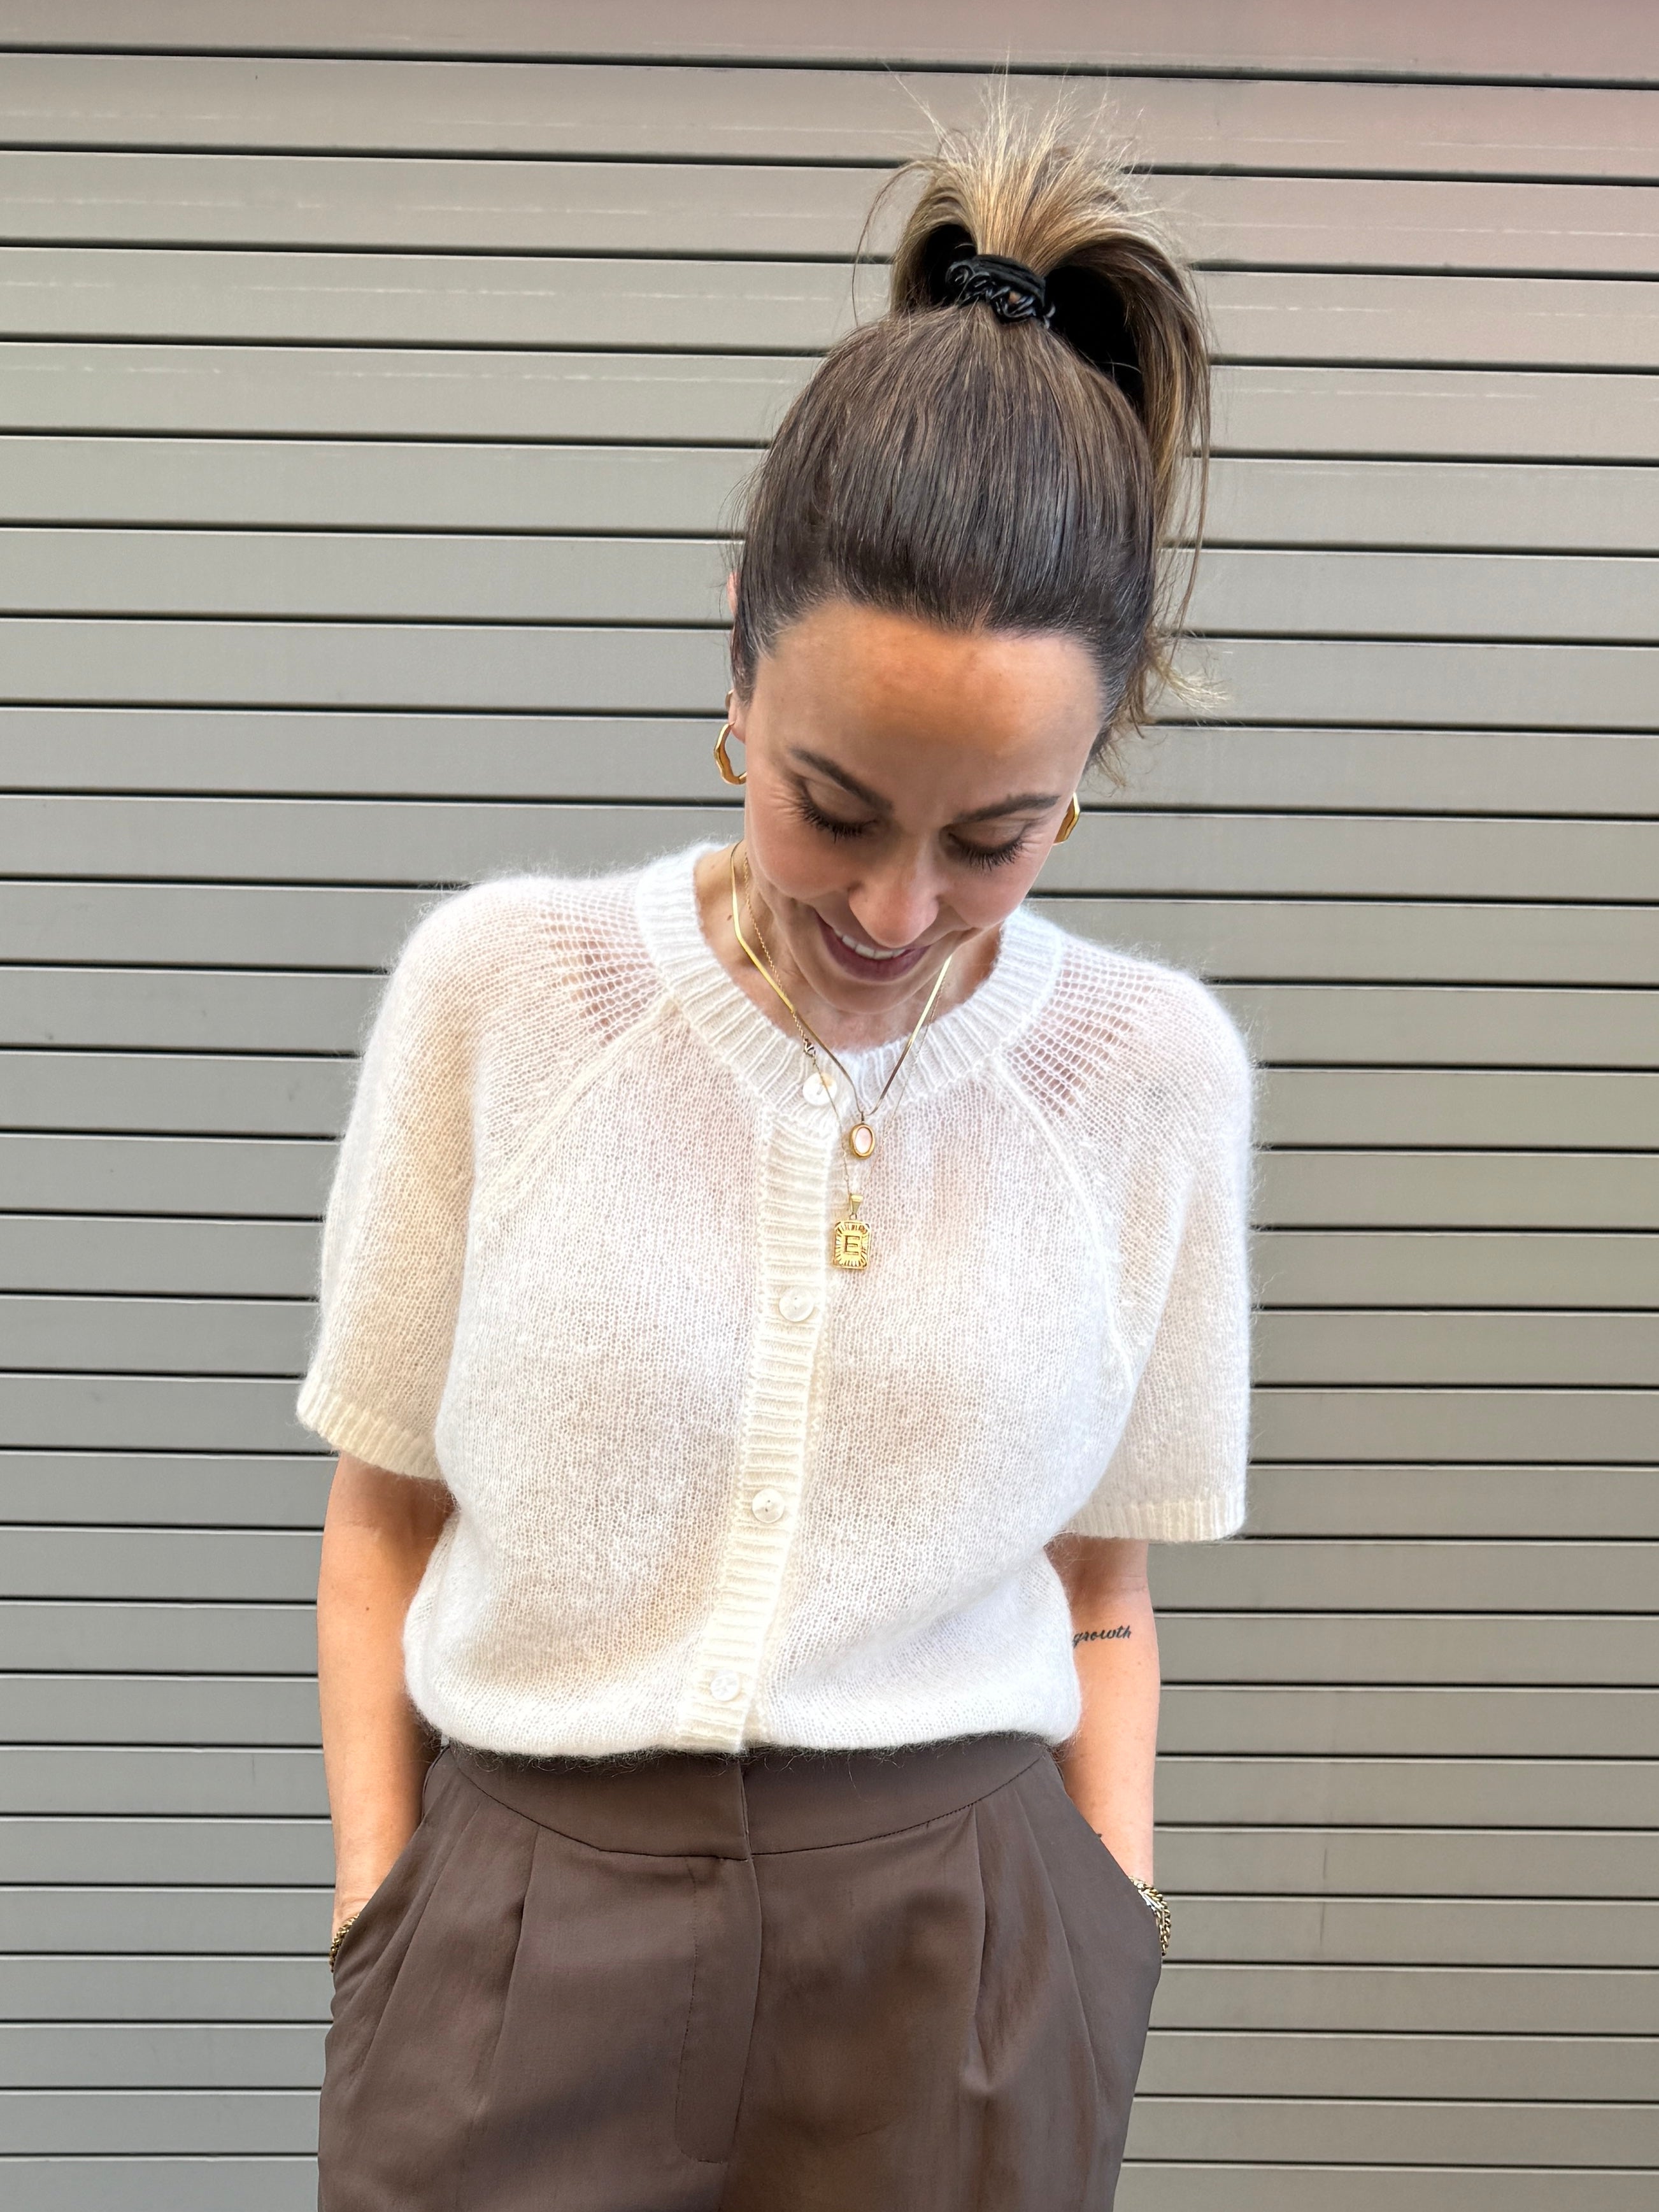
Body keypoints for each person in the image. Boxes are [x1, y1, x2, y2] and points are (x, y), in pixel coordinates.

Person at [306, 110, 1250, 2212]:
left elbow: (1108, 1587)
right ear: (737, 653)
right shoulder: (504, 996)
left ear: (1084, 778)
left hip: (964, 1966)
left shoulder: (1149, 1076)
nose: (900, 908)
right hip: (521, 1931)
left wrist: (1105, 1938)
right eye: (836, 804)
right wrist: (384, 1915)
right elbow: (378, 1523)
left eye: (993, 838)